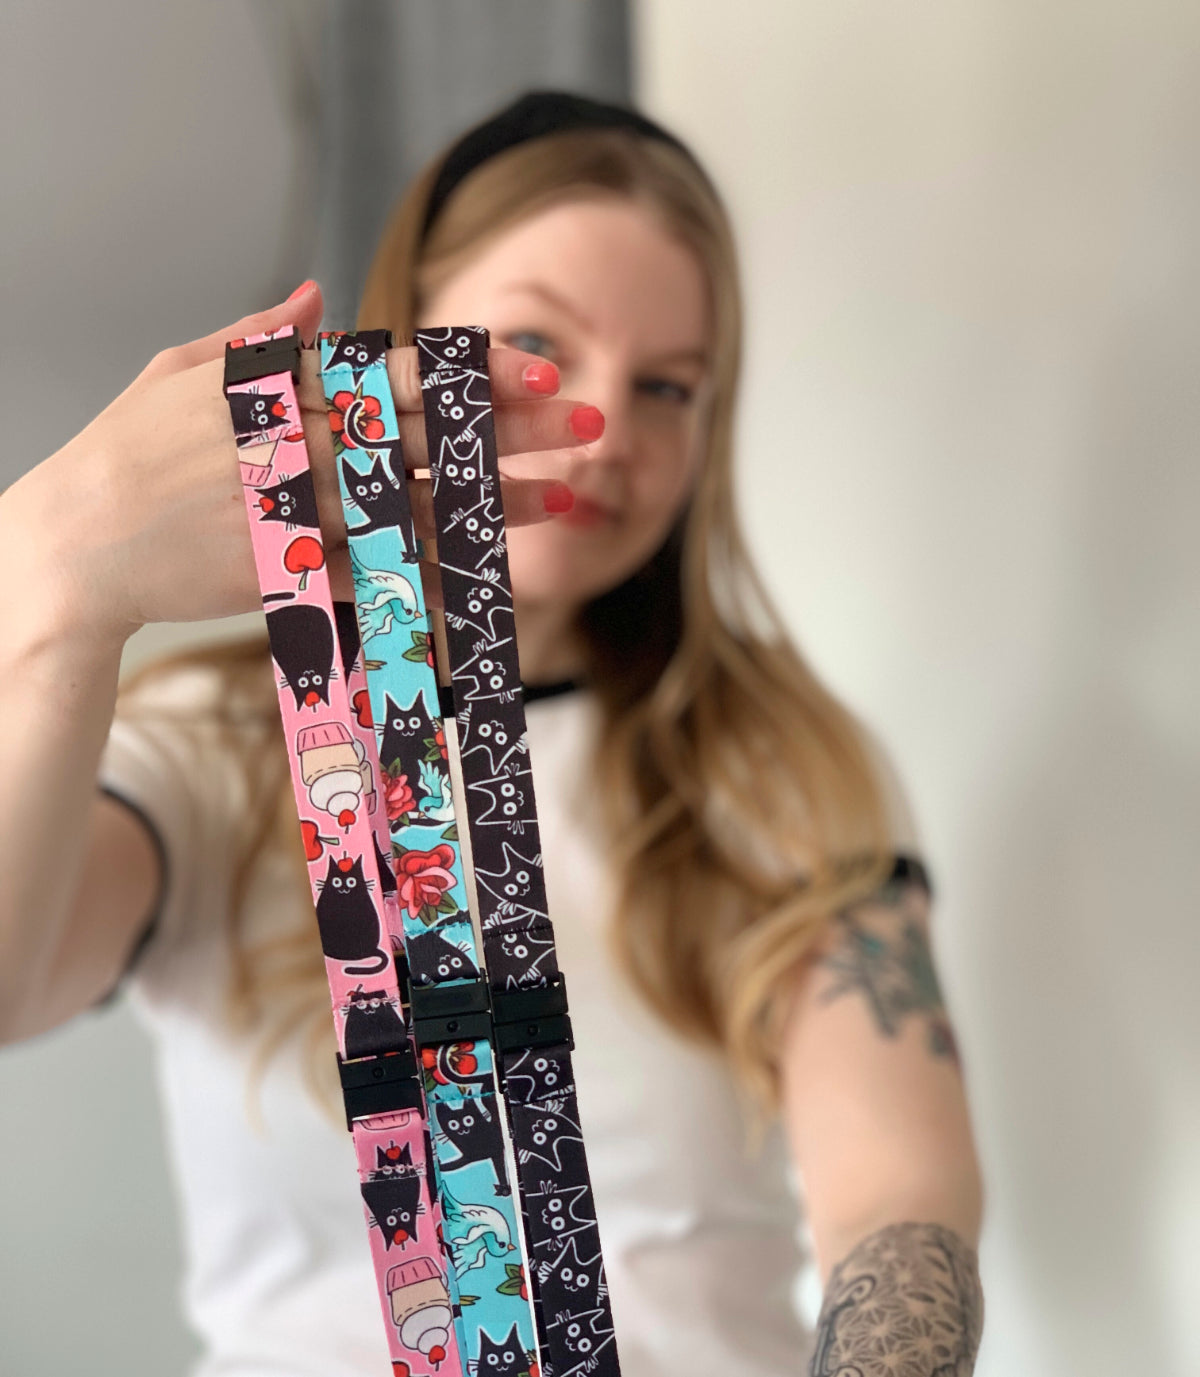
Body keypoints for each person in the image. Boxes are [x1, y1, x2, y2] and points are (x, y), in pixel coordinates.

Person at [0, 91, 983, 1376]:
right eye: (535, 343)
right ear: (403, 335)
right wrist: (51, 576)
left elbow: (899, 1196)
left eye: (670, 385)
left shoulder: (777, 765)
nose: (608, 427)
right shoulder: (215, 741)